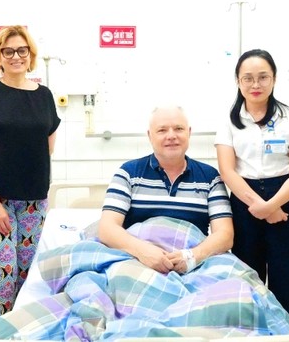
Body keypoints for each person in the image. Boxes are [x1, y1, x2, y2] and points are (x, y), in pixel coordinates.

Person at [0, 25, 61, 325]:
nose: (16, 56)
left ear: (30, 54)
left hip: (34, 199)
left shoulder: (44, 95)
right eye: (8, 51)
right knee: (2, 276)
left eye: (22, 50)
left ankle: (26, 331)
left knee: (29, 275)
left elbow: (48, 145)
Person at [214, 49, 289, 330]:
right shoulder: (229, 120)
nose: (255, 84)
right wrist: (261, 206)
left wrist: (271, 206)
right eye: (248, 78)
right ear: (238, 81)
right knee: (247, 278)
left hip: (287, 199)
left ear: (274, 79)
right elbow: (228, 170)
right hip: (244, 200)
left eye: (263, 77)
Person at [98, 105, 233, 274]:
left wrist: (192, 256)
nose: (171, 136)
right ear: (150, 136)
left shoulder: (209, 177)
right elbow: (107, 228)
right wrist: (142, 252)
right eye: (162, 130)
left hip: (195, 266)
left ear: (189, 132)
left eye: (179, 129)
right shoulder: (129, 173)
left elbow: (225, 234)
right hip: (136, 263)